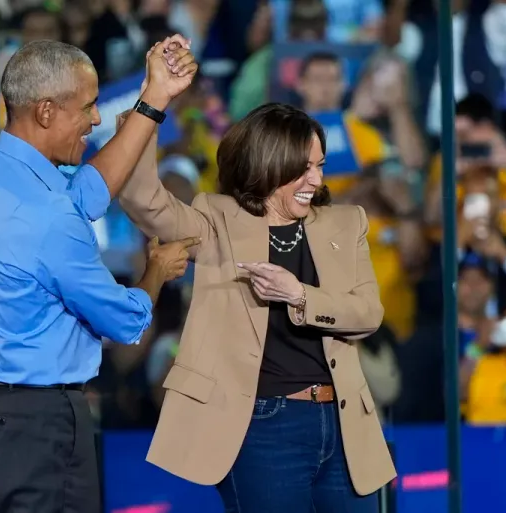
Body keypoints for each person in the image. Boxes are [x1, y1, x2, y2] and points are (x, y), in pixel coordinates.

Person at [0, 37, 198, 513]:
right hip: (38, 425)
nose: (97, 119)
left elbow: (83, 194)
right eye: (89, 106)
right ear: (45, 112)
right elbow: (123, 322)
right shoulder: (47, 220)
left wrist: (154, 99)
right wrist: (155, 274)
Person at [118, 101, 396, 512]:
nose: (316, 180)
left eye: (319, 165)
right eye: (304, 168)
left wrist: (299, 295)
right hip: (263, 425)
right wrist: (152, 108)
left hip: (343, 425)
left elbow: (368, 314)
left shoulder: (346, 222)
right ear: (270, 163)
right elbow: (145, 201)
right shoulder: (216, 219)